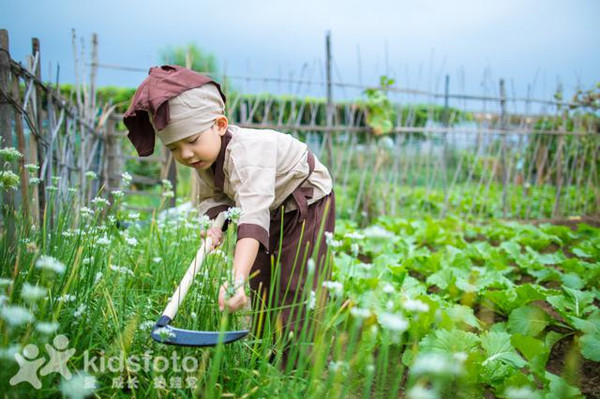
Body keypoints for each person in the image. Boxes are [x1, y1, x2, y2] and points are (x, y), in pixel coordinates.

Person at [123, 65, 335, 347]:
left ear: (220, 125)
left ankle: (298, 363)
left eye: (192, 141)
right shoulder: (204, 160)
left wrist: (235, 277)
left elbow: (251, 214)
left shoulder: (247, 154)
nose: (185, 154)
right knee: (261, 281)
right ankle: (263, 352)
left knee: (295, 285)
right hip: (269, 207)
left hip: (307, 201)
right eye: (174, 148)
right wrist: (215, 226)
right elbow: (212, 199)